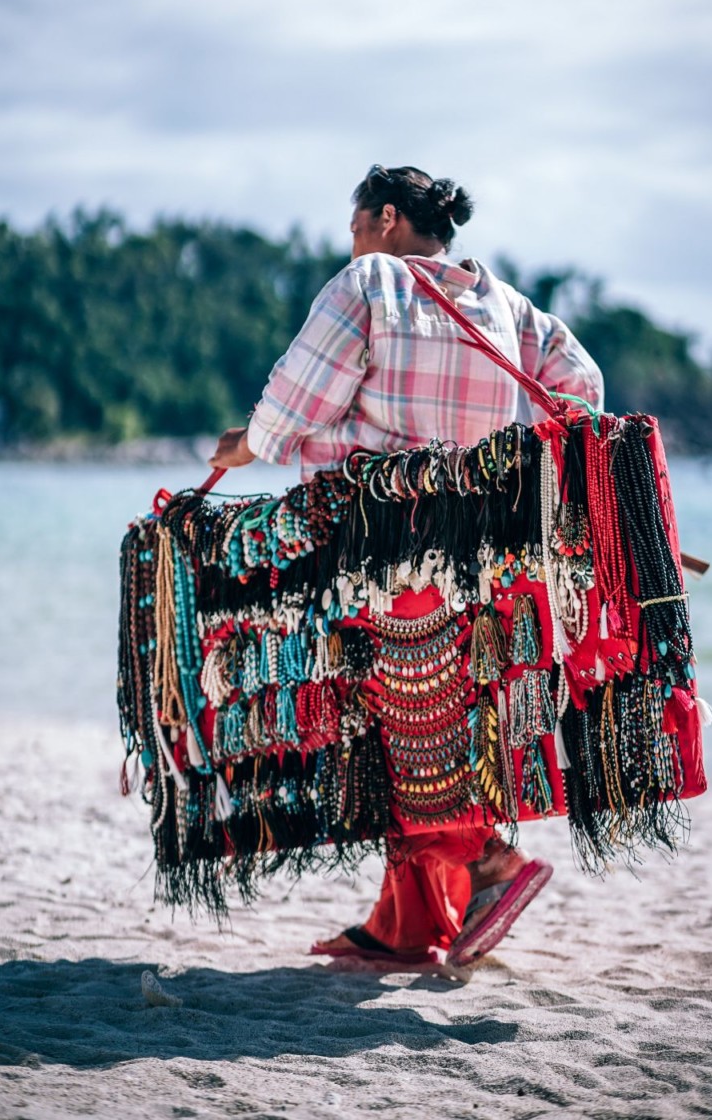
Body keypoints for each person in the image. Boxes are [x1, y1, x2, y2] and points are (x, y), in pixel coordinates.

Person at [210, 165, 604, 969]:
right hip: (482, 559)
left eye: (356, 227)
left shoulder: (373, 281)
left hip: (382, 544)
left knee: (401, 722)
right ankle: (406, 923)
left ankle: (489, 862)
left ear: (387, 218)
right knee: (418, 715)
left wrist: (249, 444)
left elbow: (295, 402)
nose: (352, 243)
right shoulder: (510, 307)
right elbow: (582, 389)